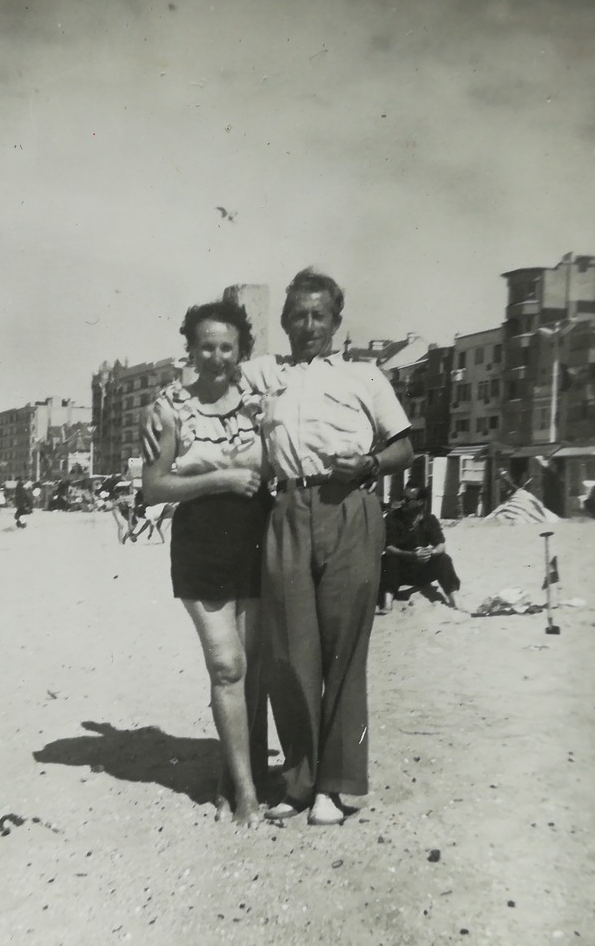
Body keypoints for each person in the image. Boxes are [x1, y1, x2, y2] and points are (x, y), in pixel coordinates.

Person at [243, 270, 414, 826]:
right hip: (287, 509)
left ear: (337, 322)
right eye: (298, 315)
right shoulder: (266, 379)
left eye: (320, 315)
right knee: (290, 653)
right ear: (285, 321)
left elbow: (404, 447)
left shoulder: (365, 376)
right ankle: (298, 780)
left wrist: (368, 464)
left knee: (344, 650)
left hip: (350, 508)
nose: (308, 326)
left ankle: (332, 789)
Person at [141, 295, 271, 826]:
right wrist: (220, 478)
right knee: (227, 665)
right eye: (207, 346)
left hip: (258, 535)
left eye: (227, 347)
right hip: (202, 541)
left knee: (250, 668)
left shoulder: (261, 396)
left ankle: (231, 774)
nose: (217, 357)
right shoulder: (169, 408)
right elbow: (152, 488)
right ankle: (245, 793)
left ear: (241, 350)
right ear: (190, 349)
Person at [377, 485, 461, 612]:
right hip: (399, 570)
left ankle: (454, 599)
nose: (402, 502)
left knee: (444, 559)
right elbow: (388, 548)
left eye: (407, 499)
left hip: (421, 570)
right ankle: (387, 602)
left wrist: (430, 552)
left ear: (420, 502)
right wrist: (411, 555)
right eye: (402, 498)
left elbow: (441, 545)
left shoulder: (429, 519)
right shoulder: (392, 518)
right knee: (388, 560)